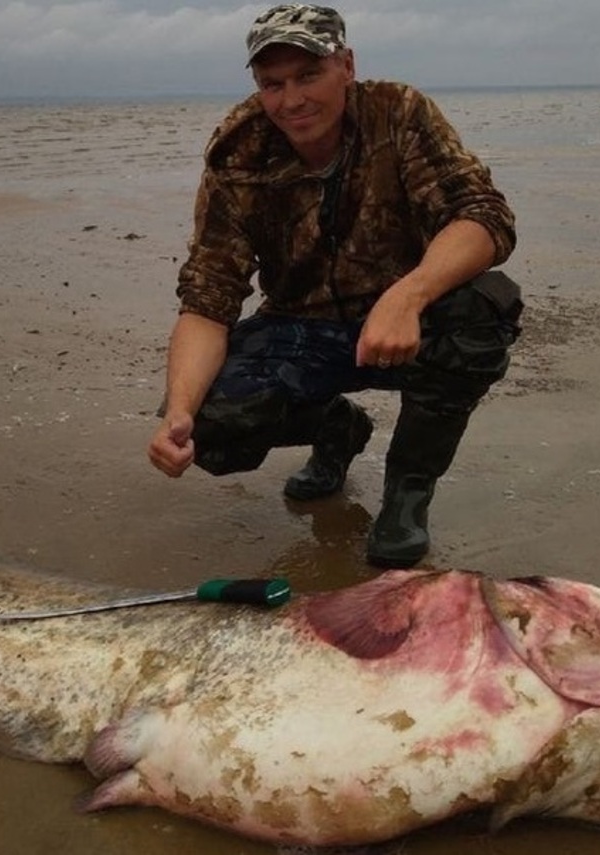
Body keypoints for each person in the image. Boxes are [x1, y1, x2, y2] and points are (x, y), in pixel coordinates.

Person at [147, 3, 523, 568]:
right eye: (273, 84)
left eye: (308, 75)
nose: (291, 99)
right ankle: (336, 429)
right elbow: (208, 295)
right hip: (302, 325)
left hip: (406, 324)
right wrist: (178, 410)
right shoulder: (239, 151)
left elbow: (485, 217)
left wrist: (408, 295)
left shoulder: (399, 113)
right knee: (207, 422)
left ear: (346, 65)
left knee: (482, 313)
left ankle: (407, 493)